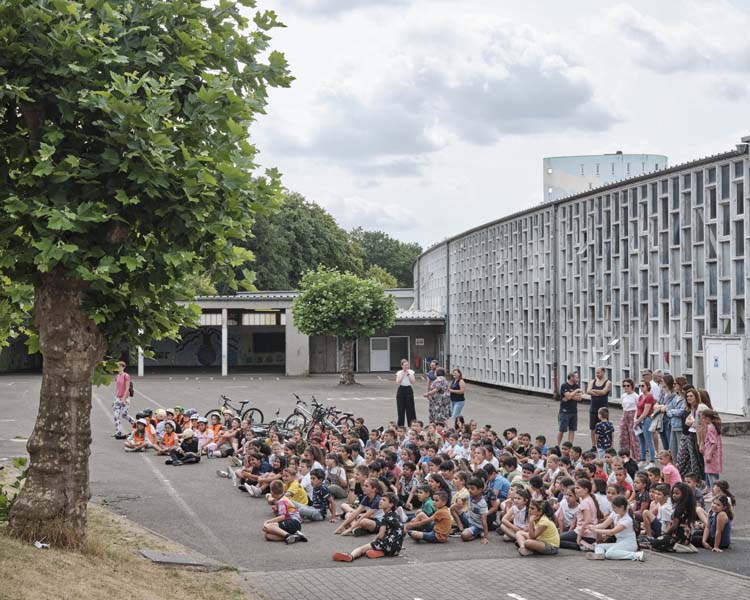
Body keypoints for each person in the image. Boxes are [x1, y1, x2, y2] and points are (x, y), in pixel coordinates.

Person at [333, 492, 404, 561]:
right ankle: (381, 552)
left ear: (391, 504)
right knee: (373, 548)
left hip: (388, 545)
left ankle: (351, 556)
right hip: (397, 549)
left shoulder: (385, 518)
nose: (380, 501)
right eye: (381, 499)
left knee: (361, 549)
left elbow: (380, 536)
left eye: (384, 500)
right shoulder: (396, 515)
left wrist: (373, 542)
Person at [586, 495, 643, 561]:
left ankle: (636, 555)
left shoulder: (627, 520)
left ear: (622, 507)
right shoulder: (614, 513)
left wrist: (595, 530)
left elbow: (612, 532)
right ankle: (600, 555)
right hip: (619, 542)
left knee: (609, 553)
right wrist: (592, 526)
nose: (613, 509)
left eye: (614, 507)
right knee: (599, 546)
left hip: (629, 544)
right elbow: (603, 525)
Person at [262, 480, 306, 544]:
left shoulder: (282, 501)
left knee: (268, 526)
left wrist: (269, 521)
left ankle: (288, 535)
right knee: (268, 536)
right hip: (293, 524)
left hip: (293, 522)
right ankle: (296, 536)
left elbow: (282, 517)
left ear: (272, 492)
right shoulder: (283, 498)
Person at [586, 367, 611, 450]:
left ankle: (605, 444)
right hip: (593, 409)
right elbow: (588, 391)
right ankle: (594, 445)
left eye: (599, 372)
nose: (597, 374)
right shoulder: (592, 381)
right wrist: (599, 393)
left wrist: (594, 391)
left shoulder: (608, 382)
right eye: (596, 373)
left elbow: (604, 392)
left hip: (603, 409)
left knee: (605, 427)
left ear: (603, 372)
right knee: (593, 428)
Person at [634, 381, 656, 465]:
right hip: (639, 419)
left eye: (643, 386)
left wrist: (638, 421)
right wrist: (635, 419)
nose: (641, 387)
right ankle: (643, 459)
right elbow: (638, 409)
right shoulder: (641, 396)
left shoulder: (649, 396)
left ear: (647, 386)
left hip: (646, 420)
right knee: (641, 440)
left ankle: (652, 461)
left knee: (648, 440)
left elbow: (646, 411)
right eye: (639, 386)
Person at [557, 372, 581, 446]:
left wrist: (570, 396)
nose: (578, 379)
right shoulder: (564, 386)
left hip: (573, 411)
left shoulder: (577, 386)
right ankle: (558, 445)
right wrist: (575, 392)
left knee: (572, 429)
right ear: (571, 377)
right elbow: (568, 396)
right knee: (562, 429)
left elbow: (579, 398)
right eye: (576, 377)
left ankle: (570, 445)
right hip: (564, 411)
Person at [619, 378, 640, 459]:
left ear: (632, 386)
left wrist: (636, 418)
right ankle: (624, 455)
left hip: (632, 414)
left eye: (628, 385)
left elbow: (638, 407)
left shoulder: (635, 396)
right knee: (623, 435)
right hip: (625, 414)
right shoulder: (623, 396)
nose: (626, 387)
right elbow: (623, 406)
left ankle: (636, 456)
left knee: (633, 437)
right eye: (624, 386)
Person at [701, 410, 723, 486]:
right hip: (713, 454)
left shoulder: (710, 428)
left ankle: (713, 491)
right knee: (712, 473)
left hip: (711, 454)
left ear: (707, 418)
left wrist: (709, 455)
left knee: (710, 473)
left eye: (703, 418)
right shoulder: (713, 427)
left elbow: (714, 443)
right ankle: (714, 490)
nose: (702, 420)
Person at [112, 361, 131, 440]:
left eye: (120, 366)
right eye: (117, 367)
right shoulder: (117, 376)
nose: (118, 368)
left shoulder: (126, 376)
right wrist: (114, 399)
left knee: (124, 415)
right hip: (117, 397)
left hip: (125, 398)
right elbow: (117, 388)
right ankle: (118, 431)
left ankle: (135, 424)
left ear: (123, 367)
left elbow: (127, 388)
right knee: (116, 415)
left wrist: (124, 398)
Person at [395, 359, 416, 427]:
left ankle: (411, 425)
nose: (406, 366)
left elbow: (413, 381)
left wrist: (408, 374)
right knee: (401, 409)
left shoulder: (411, 372)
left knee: (410, 408)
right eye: (405, 365)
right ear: (402, 366)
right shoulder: (399, 372)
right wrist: (403, 374)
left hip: (409, 389)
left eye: (407, 365)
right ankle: (401, 426)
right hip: (401, 389)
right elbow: (398, 382)